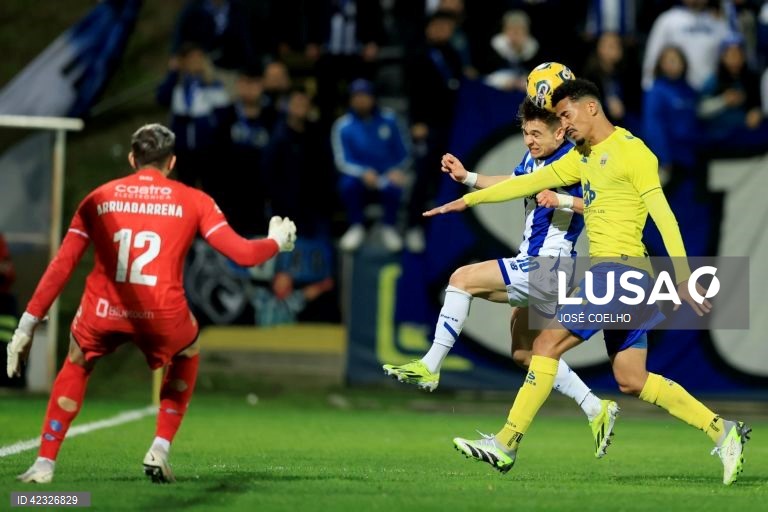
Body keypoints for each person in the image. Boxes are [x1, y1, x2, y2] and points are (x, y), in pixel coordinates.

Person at [423, 79, 750, 485]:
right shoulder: (583, 157)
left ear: (591, 108)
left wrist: (683, 276)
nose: (563, 125)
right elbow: (524, 183)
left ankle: (506, 443)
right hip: (626, 281)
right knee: (631, 378)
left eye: (566, 115)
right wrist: (467, 195)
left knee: (545, 345)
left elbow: (664, 216)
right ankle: (723, 430)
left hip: (620, 275)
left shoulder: (633, 151)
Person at [6, 124, 297, 484]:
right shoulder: (194, 200)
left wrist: (26, 325)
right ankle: (159, 448)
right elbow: (243, 255)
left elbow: (61, 266)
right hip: (162, 314)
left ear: (132, 158)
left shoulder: (98, 198)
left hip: (104, 311)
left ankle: (44, 464)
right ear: (171, 162)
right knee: (188, 351)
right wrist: (275, 241)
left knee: (77, 360)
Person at [384, 99, 621, 458]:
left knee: (461, 278)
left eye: (536, 133)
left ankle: (431, 365)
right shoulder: (535, 160)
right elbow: (513, 183)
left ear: (560, 131)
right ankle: (595, 407)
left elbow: (606, 205)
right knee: (526, 353)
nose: (529, 140)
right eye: (526, 133)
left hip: (548, 266)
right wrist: (468, 178)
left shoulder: (574, 162)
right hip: (540, 265)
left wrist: (563, 201)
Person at [332, 79, 411, 253]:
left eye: (365, 96)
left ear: (373, 98)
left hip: (386, 175)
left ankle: (389, 227)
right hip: (359, 177)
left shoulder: (390, 119)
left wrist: (395, 170)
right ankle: (356, 226)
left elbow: (405, 152)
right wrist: (363, 173)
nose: (361, 100)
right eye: (356, 96)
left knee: (396, 184)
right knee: (347, 185)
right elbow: (342, 161)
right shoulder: (342, 126)